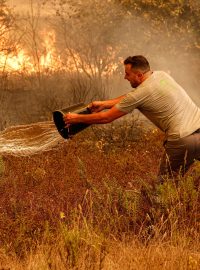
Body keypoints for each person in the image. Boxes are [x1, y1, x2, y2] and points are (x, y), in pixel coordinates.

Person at [63, 55, 200, 182]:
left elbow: (106, 118)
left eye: (128, 74)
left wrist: (76, 118)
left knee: (164, 188)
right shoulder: (161, 76)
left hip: (182, 140)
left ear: (139, 75)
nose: (125, 77)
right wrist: (105, 103)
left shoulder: (141, 93)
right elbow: (136, 96)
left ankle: (159, 208)